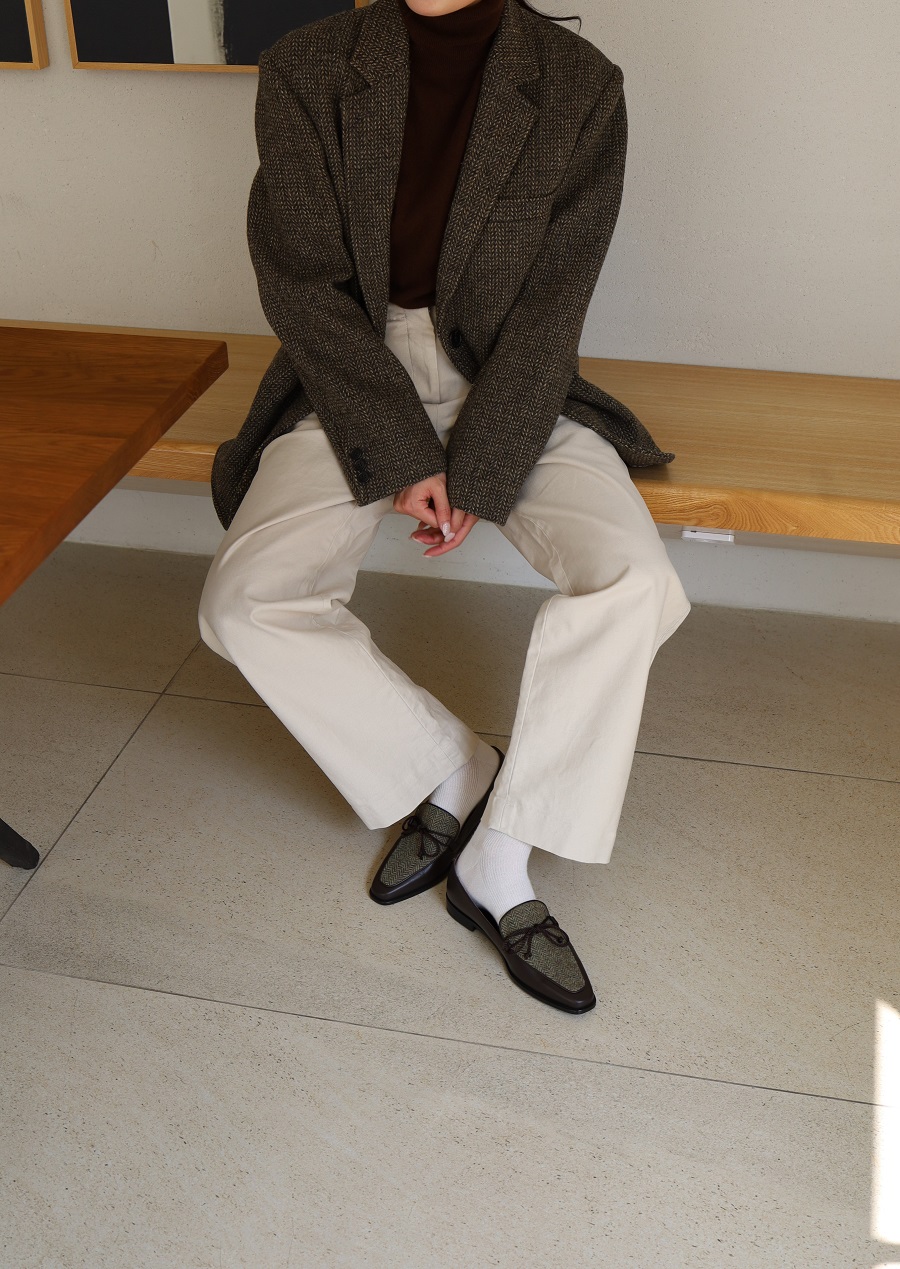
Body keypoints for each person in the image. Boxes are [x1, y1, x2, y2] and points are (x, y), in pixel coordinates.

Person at [199, 0, 692, 1014]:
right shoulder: (306, 68)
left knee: (636, 582)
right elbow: (301, 286)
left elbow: (553, 307)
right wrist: (401, 447)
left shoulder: (580, 84)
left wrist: (480, 464)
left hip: (512, 384)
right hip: (351, 377)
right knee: (244, 602)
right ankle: (457, 767)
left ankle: (500, 855)